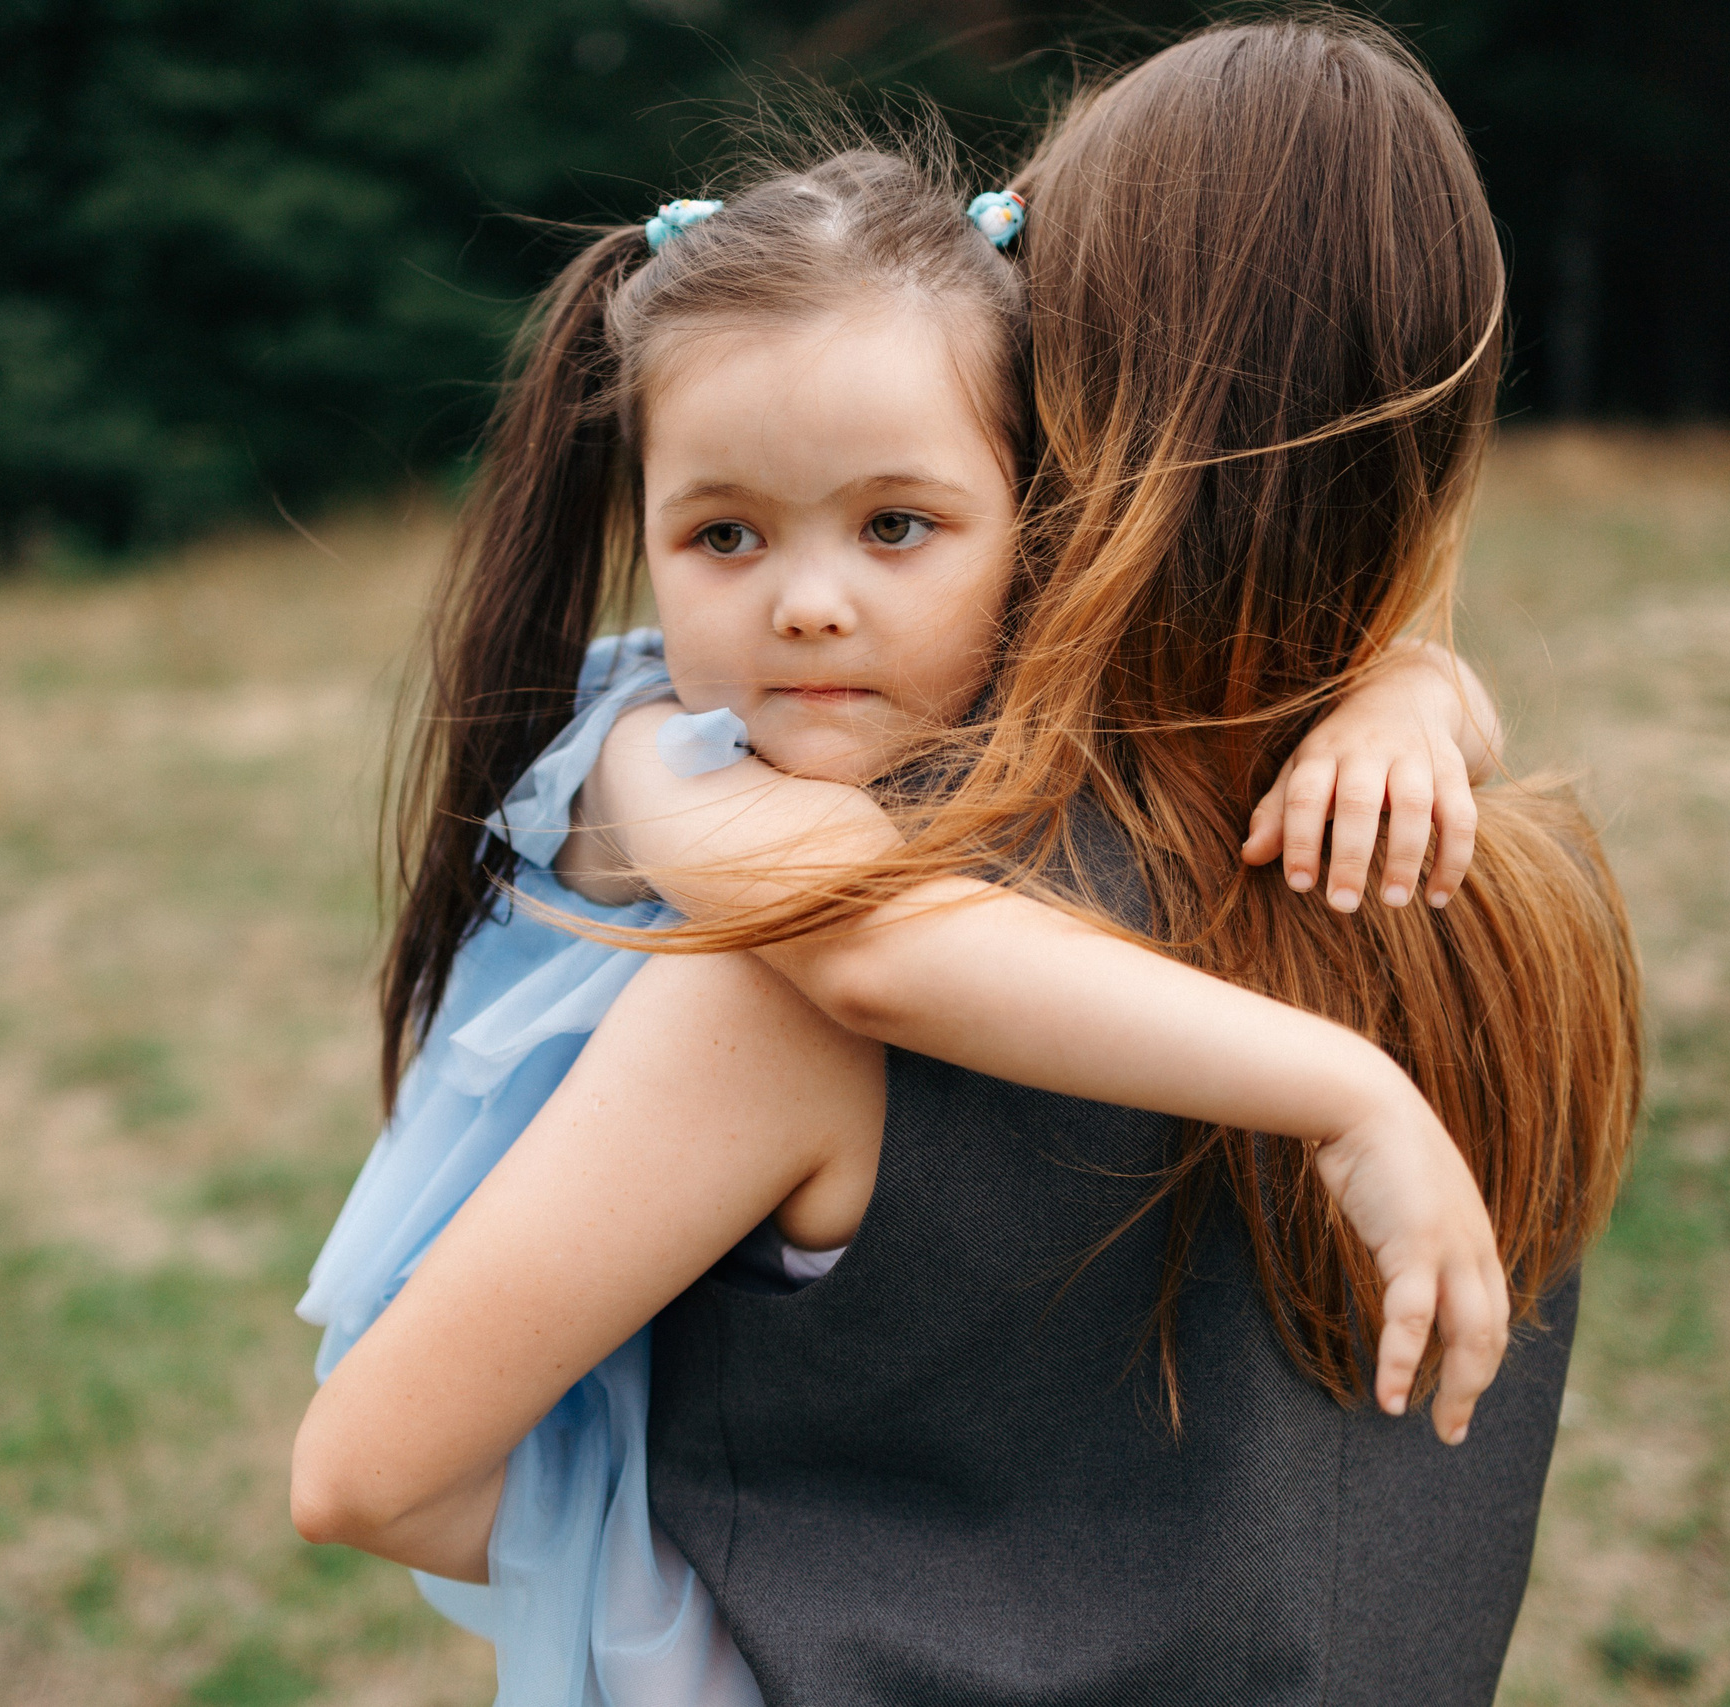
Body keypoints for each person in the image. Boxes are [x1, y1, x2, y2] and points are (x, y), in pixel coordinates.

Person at [295, 99, 1572, 1703]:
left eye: (896, 525)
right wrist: (1345, 1088)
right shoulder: (664, 763)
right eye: (721, 534)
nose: (810, 605)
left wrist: (1408, 694)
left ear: (1049, 515)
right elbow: (872, 948)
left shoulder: (1108, 771)